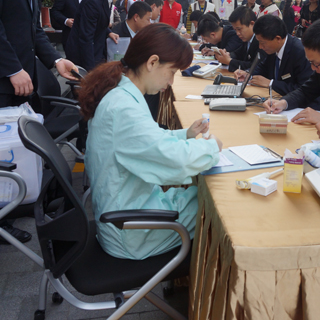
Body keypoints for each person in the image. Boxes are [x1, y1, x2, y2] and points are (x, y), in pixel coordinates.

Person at [78, 24, 223, 260]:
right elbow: (174, 160)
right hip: (131, 230)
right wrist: (211, 147)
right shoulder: (124, 108)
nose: (172, 81)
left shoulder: (121, 94)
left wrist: (184, 135)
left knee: (201, 196)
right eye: (172, 71)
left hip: (129, 210)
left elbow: (148, 139)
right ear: (152, 62)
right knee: (217, 210)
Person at [66, 0, 136, 71]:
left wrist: (108, 32)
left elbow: (98, 21)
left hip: (96, 50)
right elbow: (86, 39)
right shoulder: (93, 1)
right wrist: (91, 73)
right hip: (83, 57)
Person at [234, 15, 312, 95]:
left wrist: (271, 83)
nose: (260, 47)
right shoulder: (273, 49)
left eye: (262, 43)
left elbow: (303, 89)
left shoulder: (300, 52)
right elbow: (263, 67)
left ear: (278, 38)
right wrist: (248, 74)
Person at [214, 6, 260, 72]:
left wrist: (229, 61)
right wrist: (227, 54)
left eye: (239, 29)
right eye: (235, 30)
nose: (237, 33)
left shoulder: (260, 42)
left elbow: (254, 66)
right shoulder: (247, 40)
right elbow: (238, 54)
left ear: (252, 24)